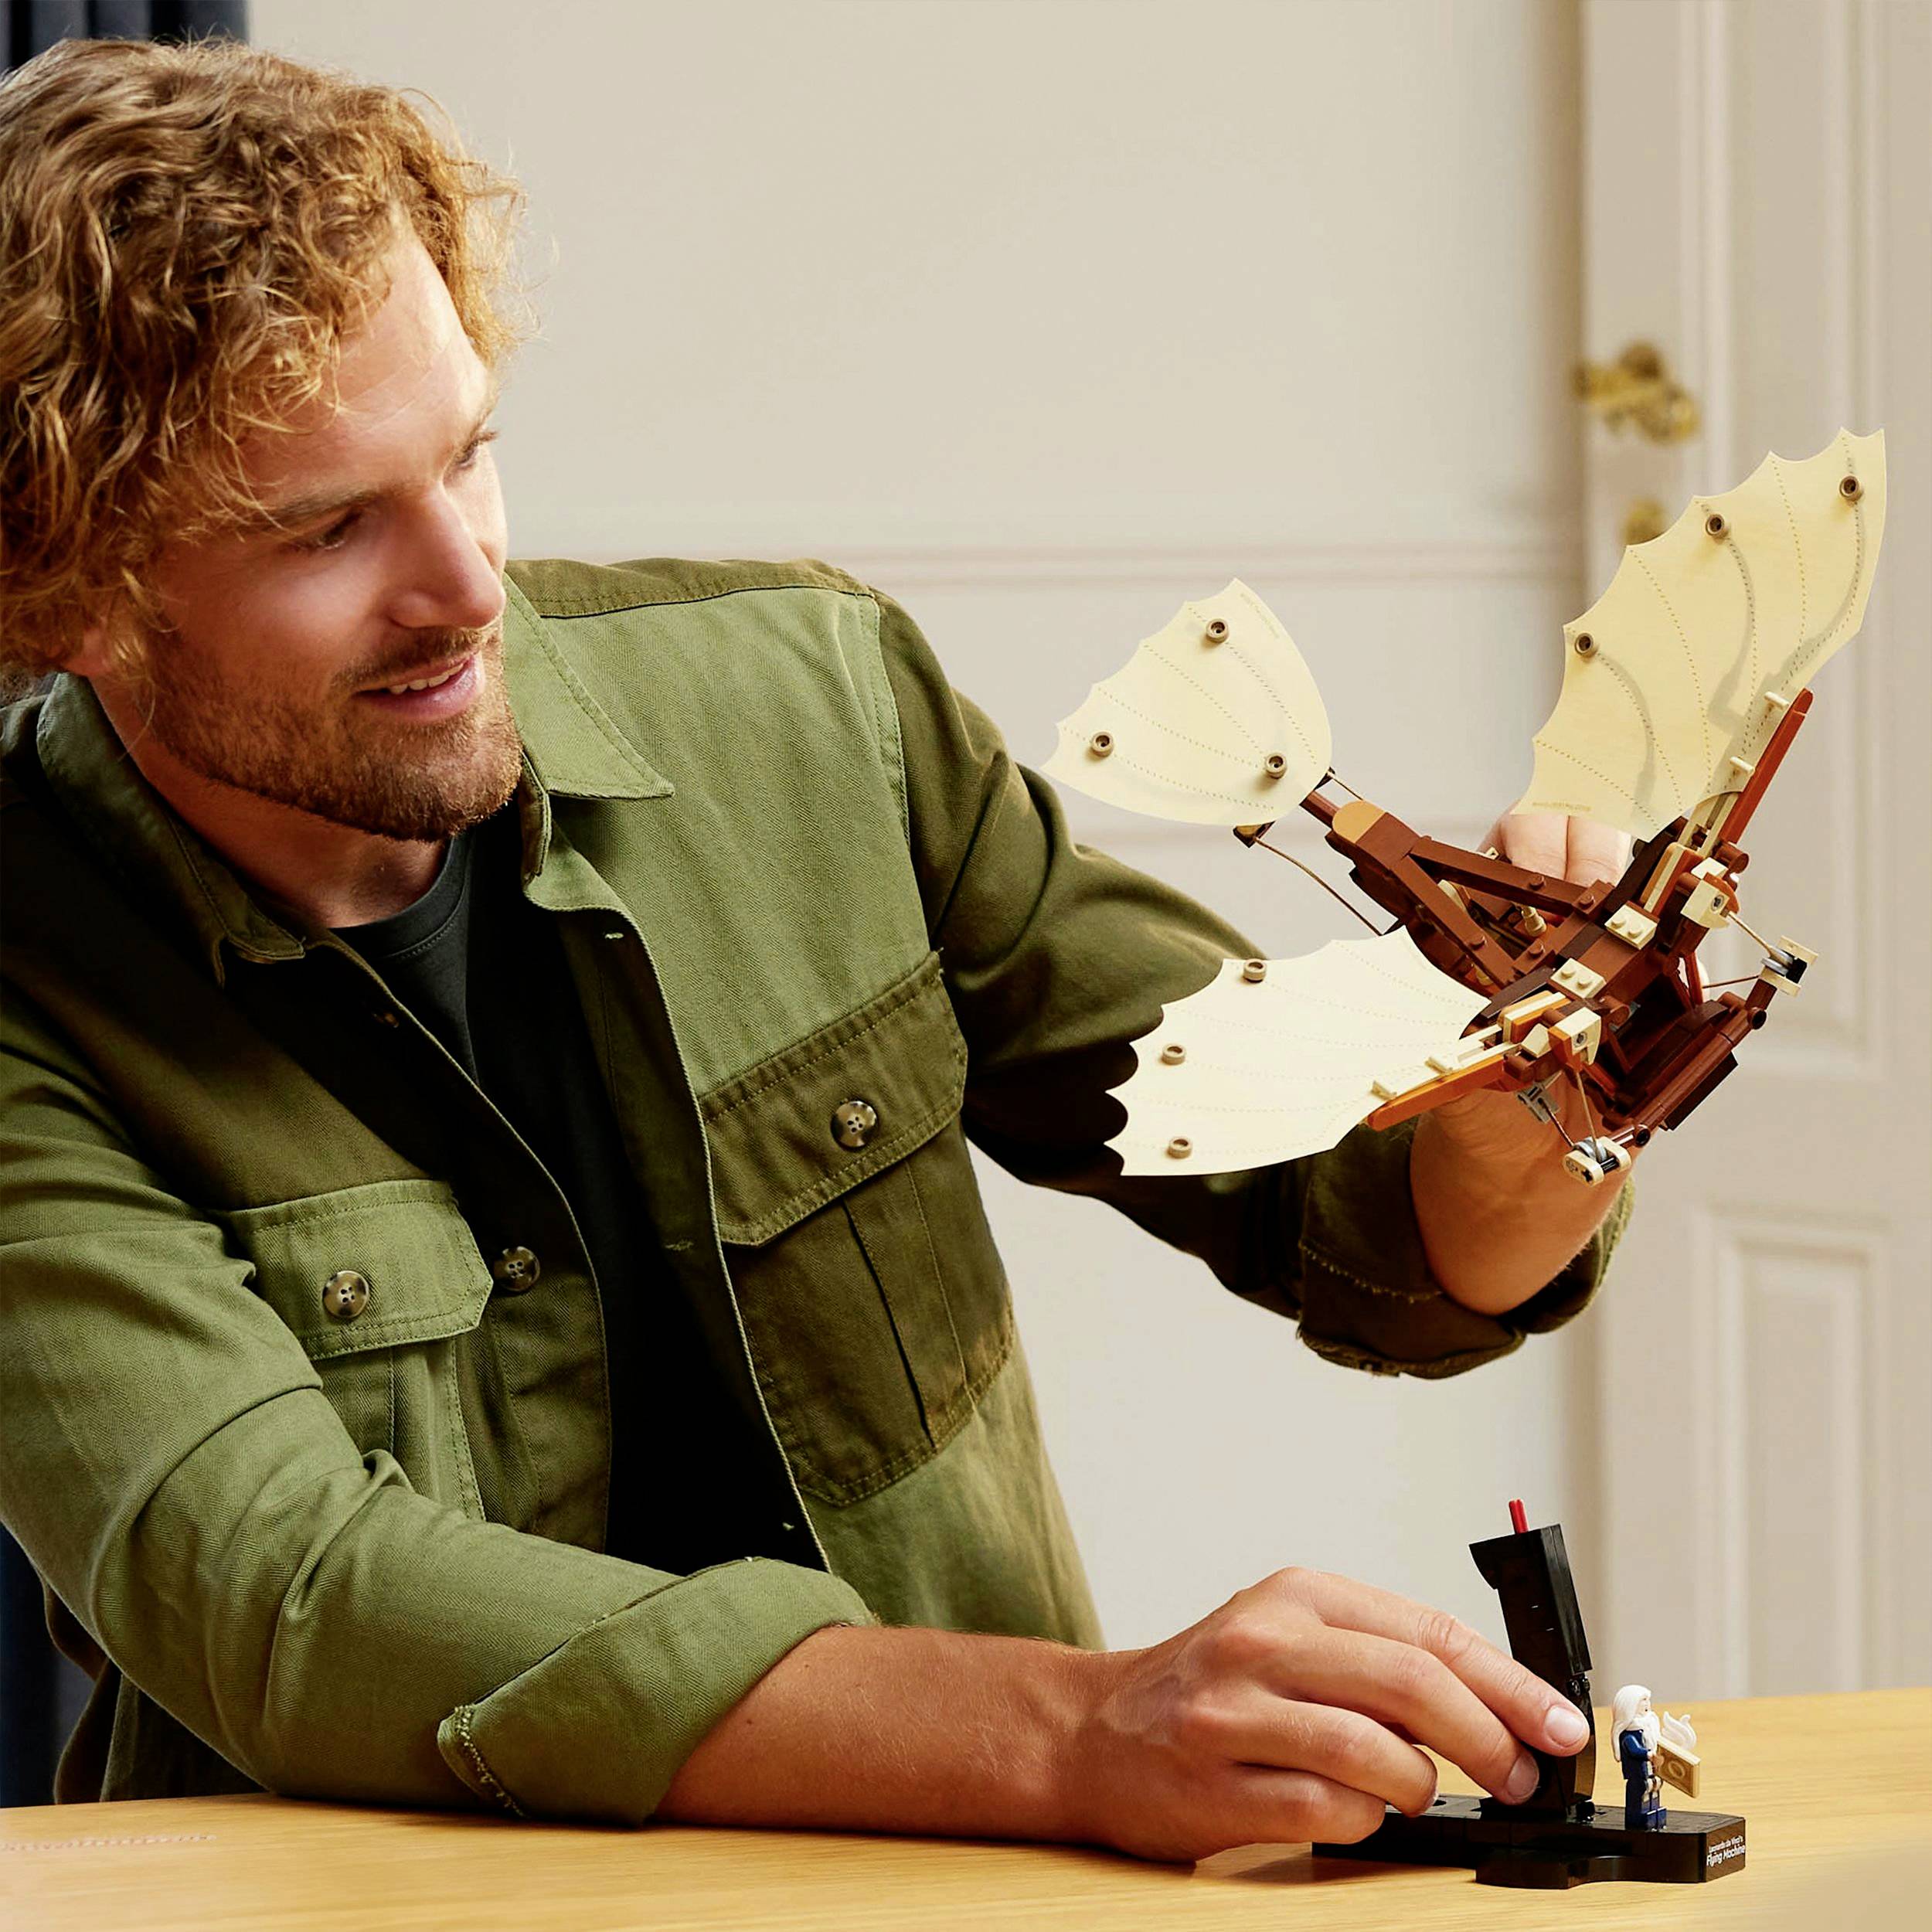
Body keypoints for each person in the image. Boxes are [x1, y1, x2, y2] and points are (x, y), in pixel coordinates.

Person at [0, 39, 1629, 1859]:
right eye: (324, 526)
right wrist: (1075, 1733)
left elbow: (1347, 1215)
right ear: (65, 593)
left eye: (469, 456)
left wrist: (1531, 1111)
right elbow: (293, 1596)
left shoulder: (816, 702)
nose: (467, 586)